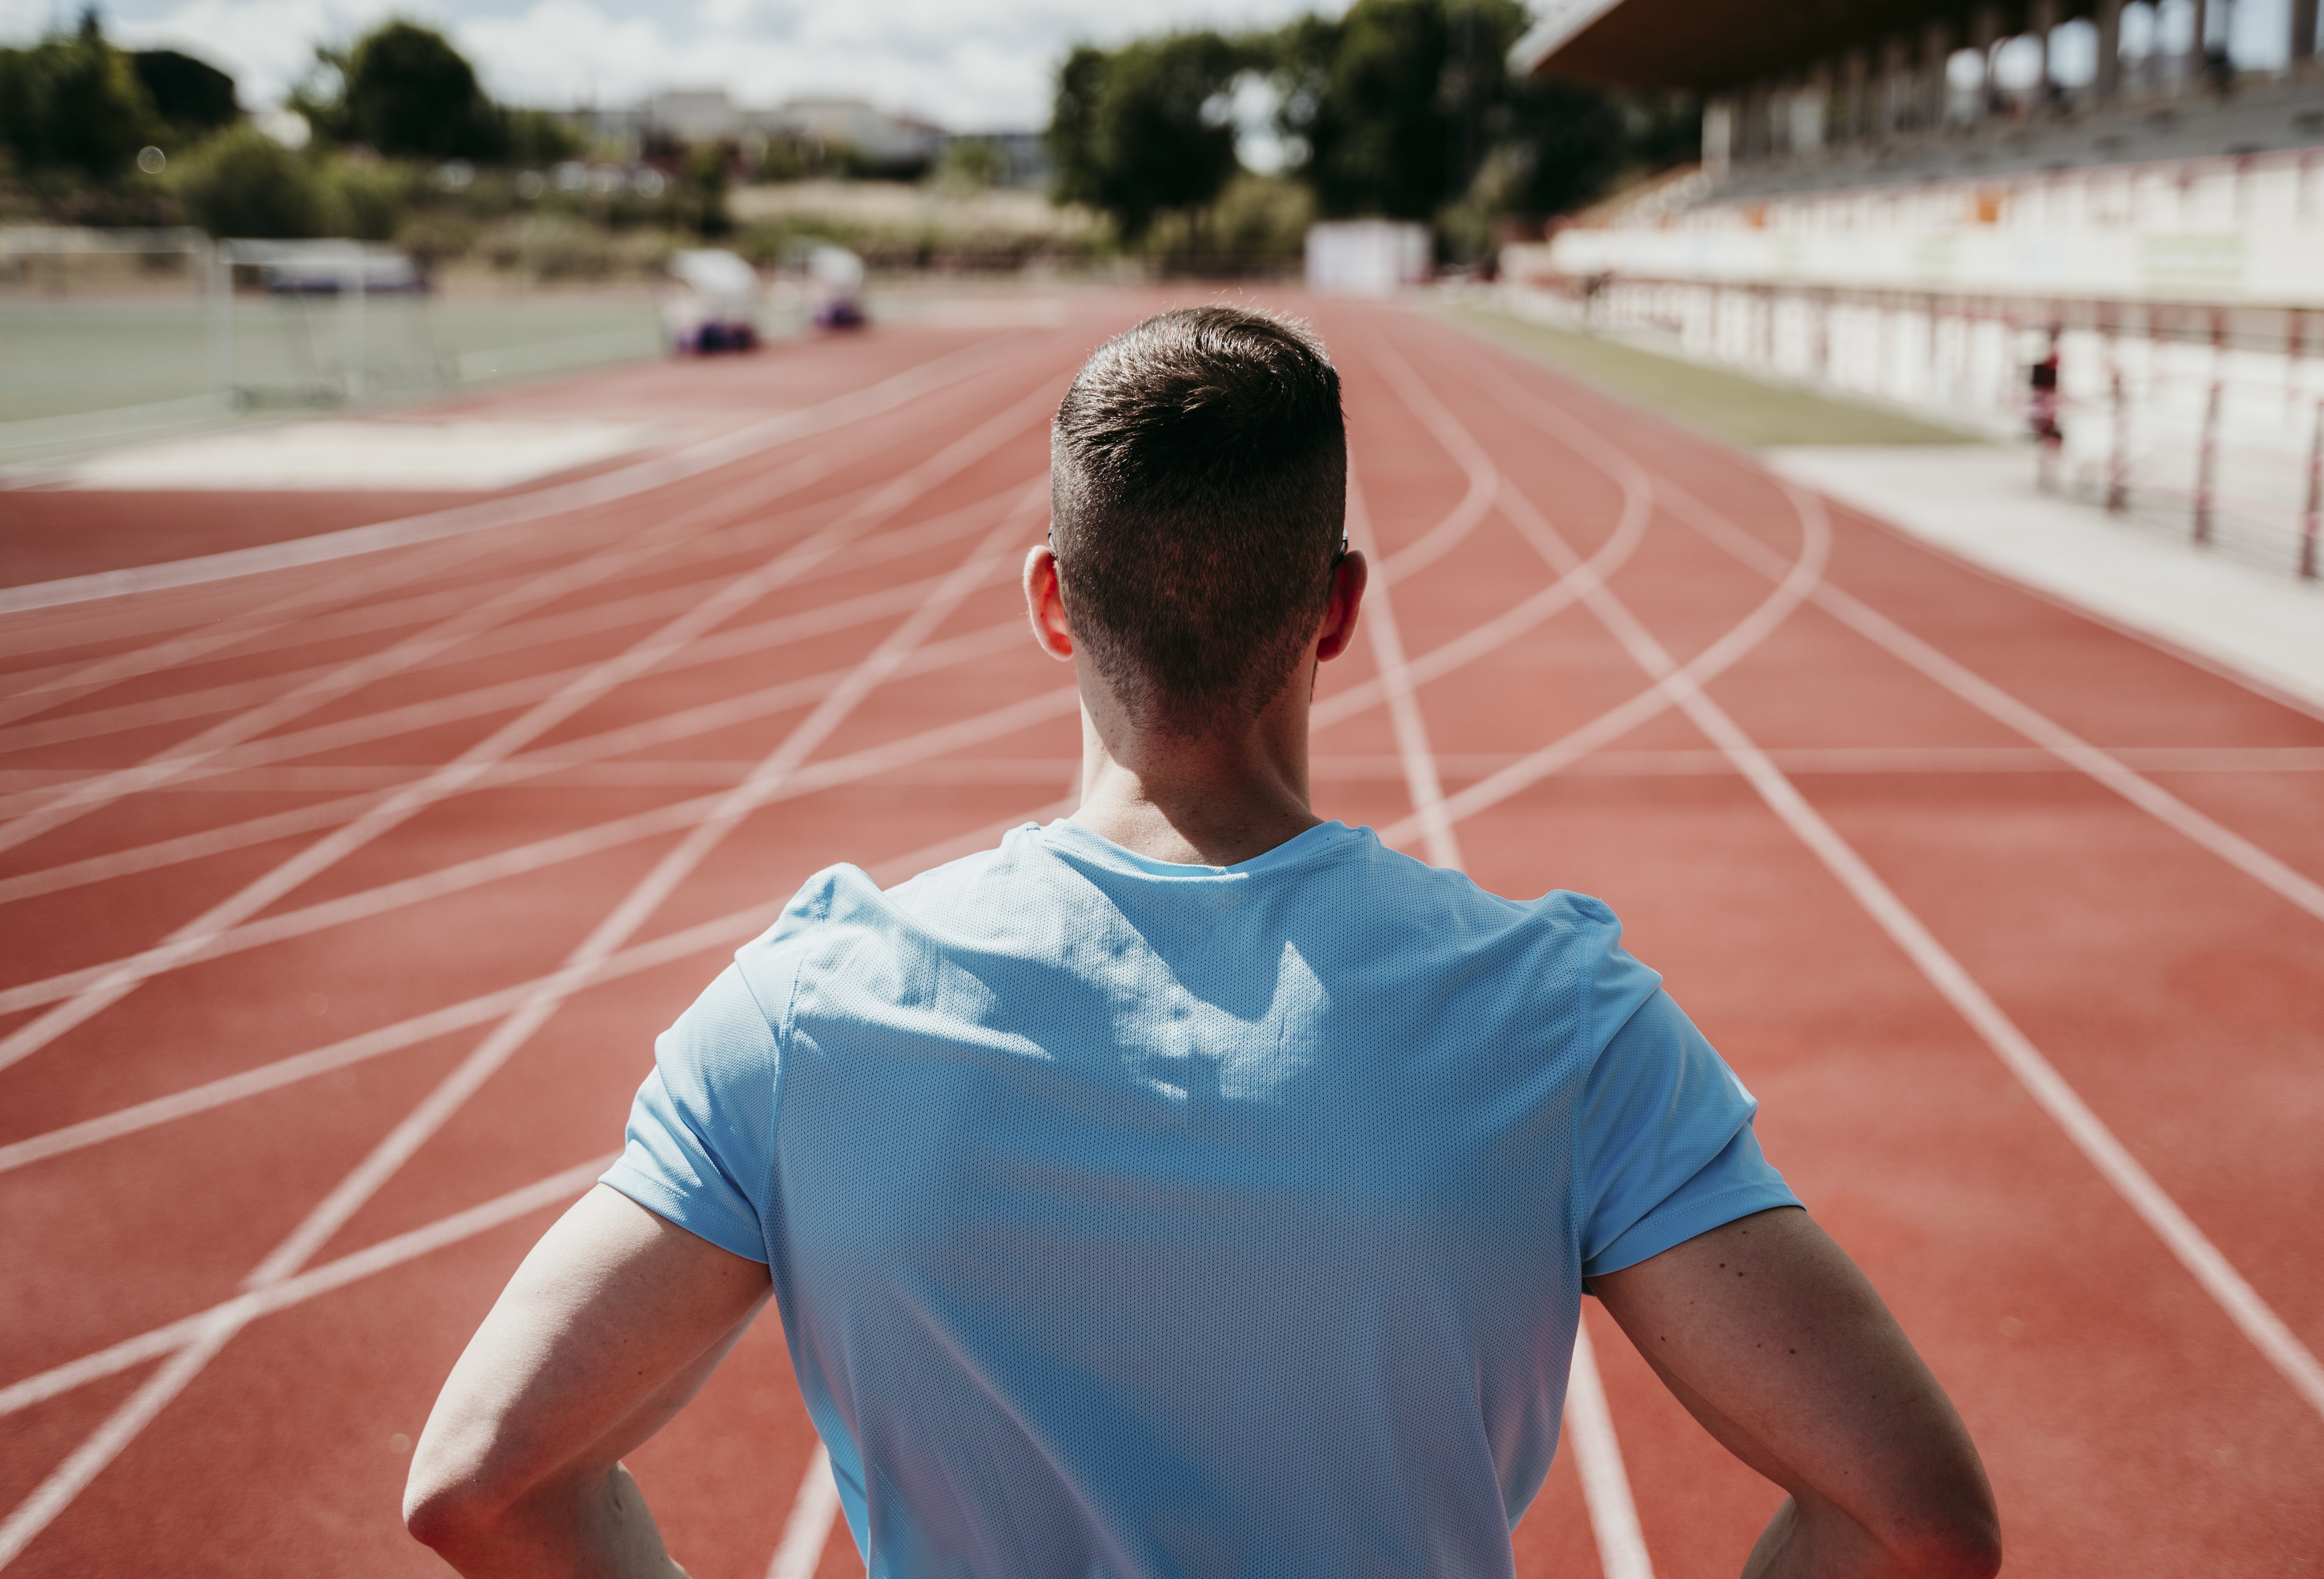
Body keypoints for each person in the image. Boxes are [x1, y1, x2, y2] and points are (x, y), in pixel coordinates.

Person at [404, 307, 2000, 1579]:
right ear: (1339, 607)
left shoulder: (803, 1014)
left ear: (1049, 599)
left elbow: (482, 1483)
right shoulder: (1564, 1023)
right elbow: (1918, 1524)